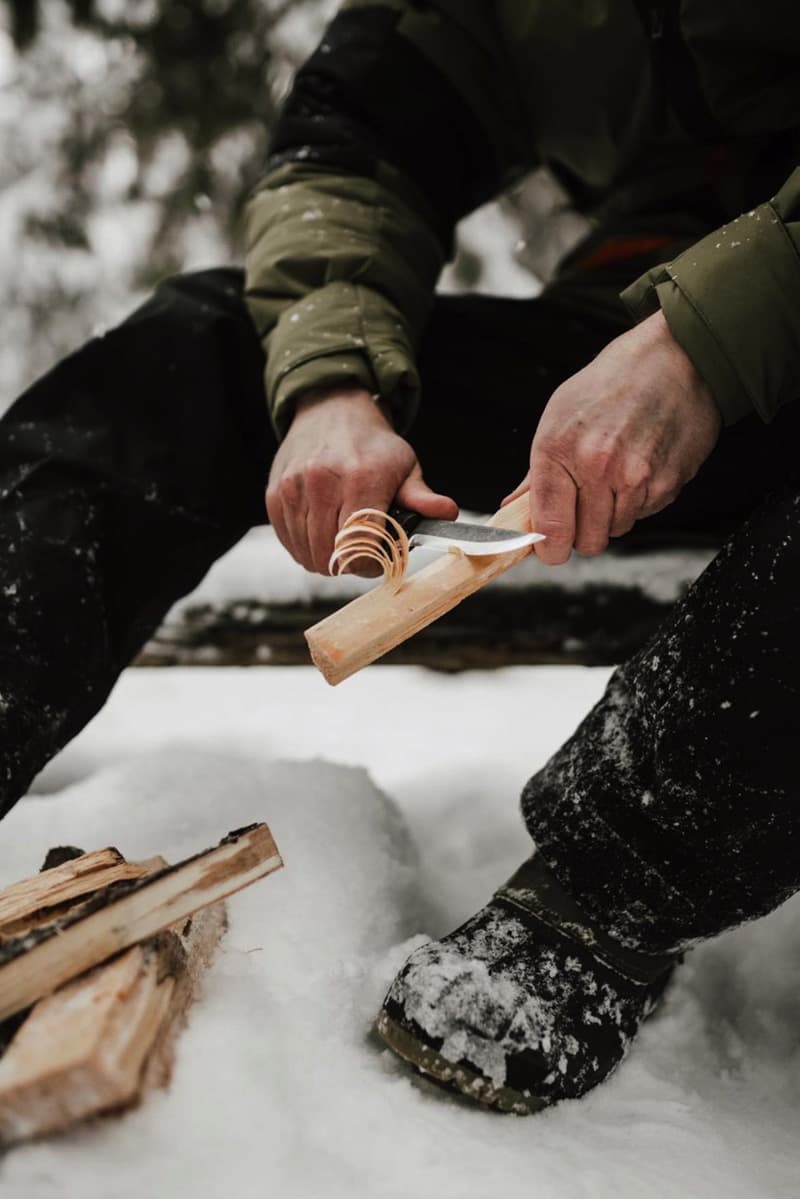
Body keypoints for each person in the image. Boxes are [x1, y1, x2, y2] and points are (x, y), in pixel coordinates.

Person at [2, 1, 799, 1112]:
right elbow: (352, 145)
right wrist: (330, 383)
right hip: (644, 336)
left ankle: (607, 892)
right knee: (202, 350)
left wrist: (706, 345)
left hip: (743, 334)